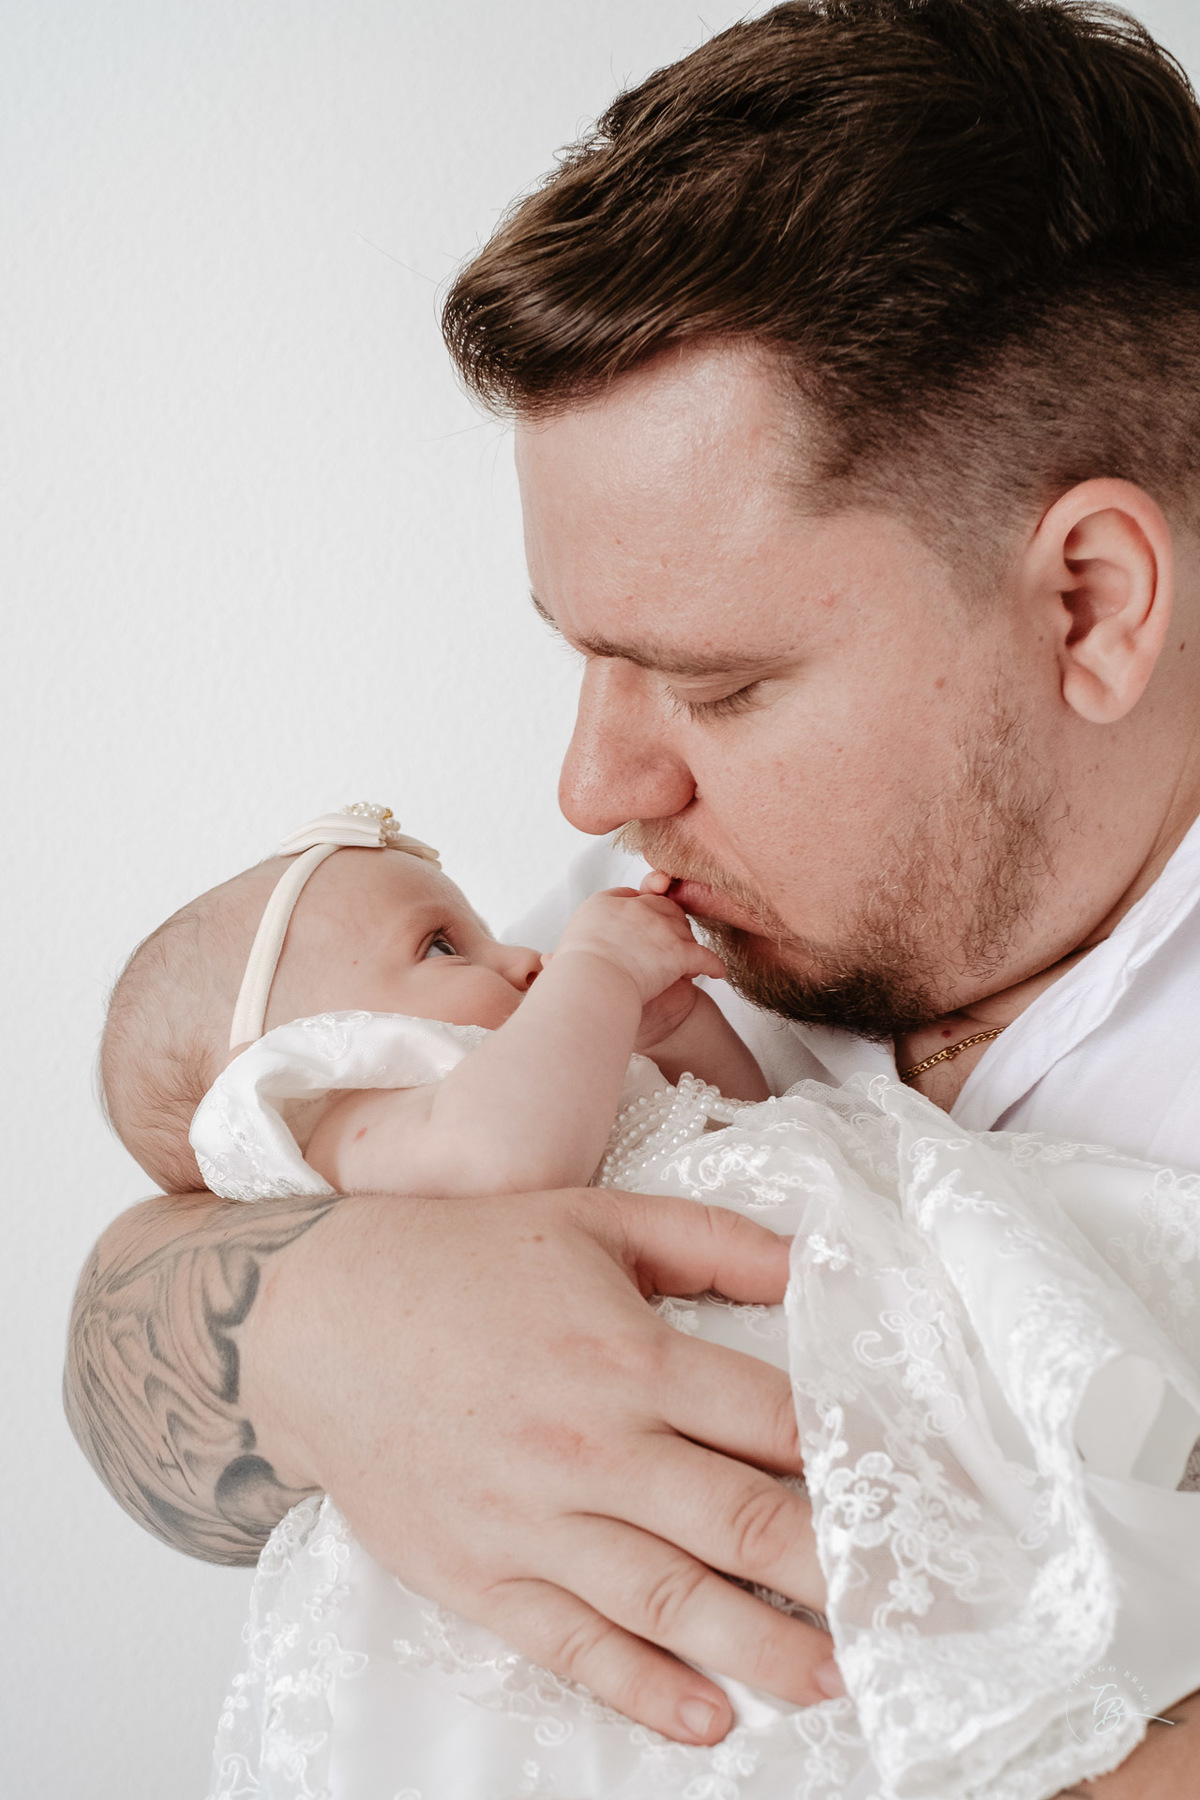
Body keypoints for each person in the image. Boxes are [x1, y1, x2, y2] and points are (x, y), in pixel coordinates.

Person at [64, 1, 1200, 1791]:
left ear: (1088, 605)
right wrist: (326, 1338)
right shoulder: (660, 910)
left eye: (718, 682)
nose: (593, 790)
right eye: (585, 660)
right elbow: (136, 1287)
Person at [99, 804, 1200, 1797]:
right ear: (293, 1052)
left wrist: (661, 1023)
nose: (514, 954)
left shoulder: (521, 1023)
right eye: (442, 945)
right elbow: (499, 1159)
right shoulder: (361, 1109)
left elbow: (747, 1114)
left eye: (729, 683)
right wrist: (597, 982)